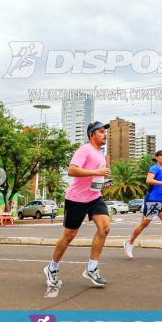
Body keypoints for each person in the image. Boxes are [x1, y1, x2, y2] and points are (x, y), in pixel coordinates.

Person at [44, 121, 113, 288]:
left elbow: (94, 179)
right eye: (101, 132)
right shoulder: (84, 150)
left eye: (105, 132)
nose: (105, 135)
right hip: (76, 199)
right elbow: (72, 170)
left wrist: (103, 183)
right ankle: (52, 268)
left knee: (105, 227)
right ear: (92, 135)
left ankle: (92, 268)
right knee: (69, 236)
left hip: (95, 197)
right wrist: (97, 172)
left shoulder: (100, 155)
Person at [123, 150, 162, 261]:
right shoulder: (154, 168)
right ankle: (129, 243)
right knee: (144, 224)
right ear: (156, 157)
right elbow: (149, 180)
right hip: (153, 200)